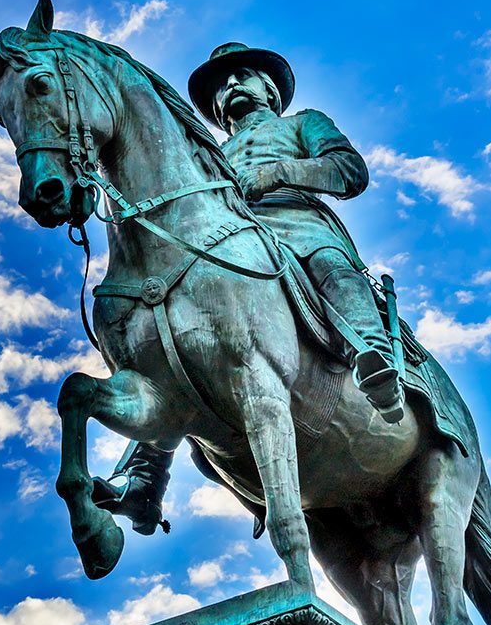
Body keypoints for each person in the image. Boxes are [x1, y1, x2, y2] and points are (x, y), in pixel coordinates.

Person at [96, 42, 403, 535]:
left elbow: (350, 171)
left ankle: (371, 350)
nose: (231, 87)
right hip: (226, 243)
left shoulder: (303, 123)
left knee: (328, 262)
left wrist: (280, 172)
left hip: (296, 226)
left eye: (241, 76)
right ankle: (145, 475)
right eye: (221, 86)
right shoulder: (207, 151)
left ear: (269, 88)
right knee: (172, 345)